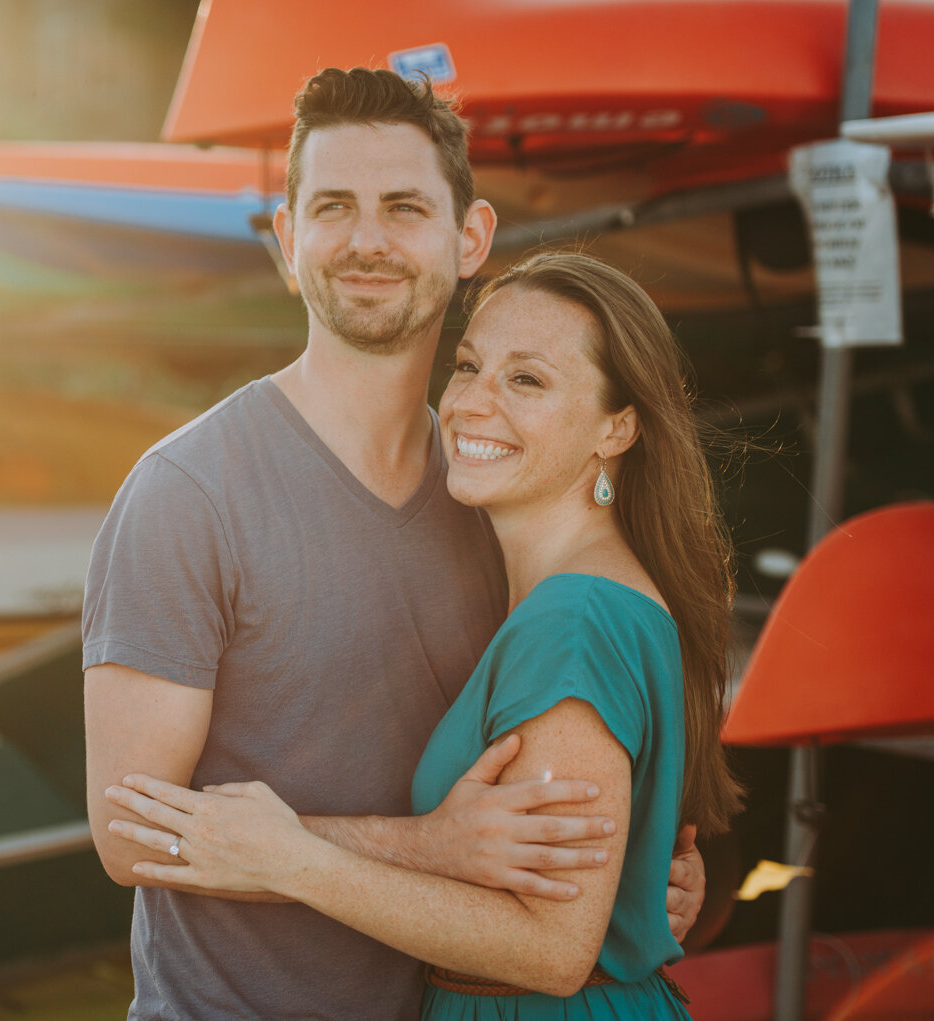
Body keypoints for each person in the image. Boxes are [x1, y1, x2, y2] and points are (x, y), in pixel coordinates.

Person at [84, 68, 705, 1020]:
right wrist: (432, 845)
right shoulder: (188, 494)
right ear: (289, 242)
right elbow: (131, 835)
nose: (367, 240)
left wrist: (627, 883)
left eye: (404, 207)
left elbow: (565, 803)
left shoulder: (497, 492)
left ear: (470, 239)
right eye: (333, 206)